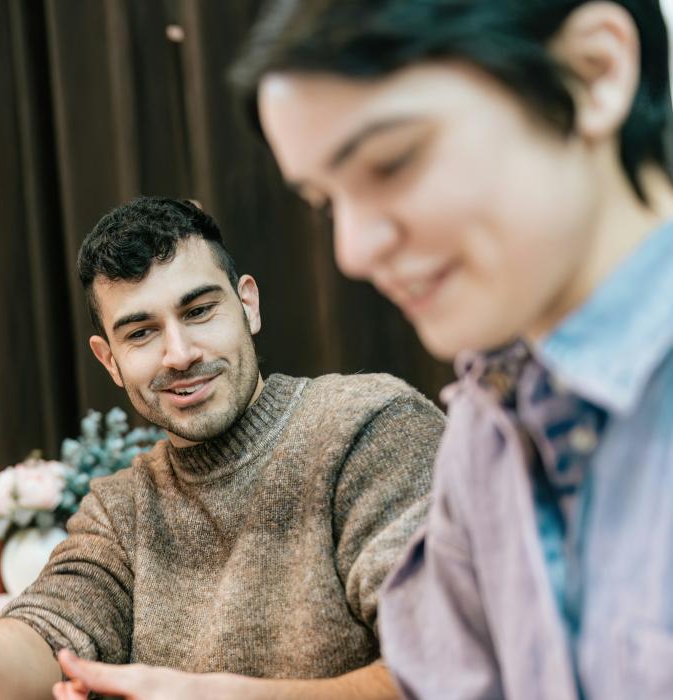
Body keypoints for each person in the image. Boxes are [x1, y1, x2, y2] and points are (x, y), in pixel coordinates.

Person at [232, 0, 673, 697]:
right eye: (326, 201)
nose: (352, 251)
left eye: (391, 161)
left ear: (595, 73)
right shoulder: (488, 423)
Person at [0, 197, 445, 699]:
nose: (178, 353)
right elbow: (51, 630)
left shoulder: (368, 427)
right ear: (109, 360)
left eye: (198, 311)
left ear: (248, 305)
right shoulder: (122, 508)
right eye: (141, 332)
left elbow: (452, 668)